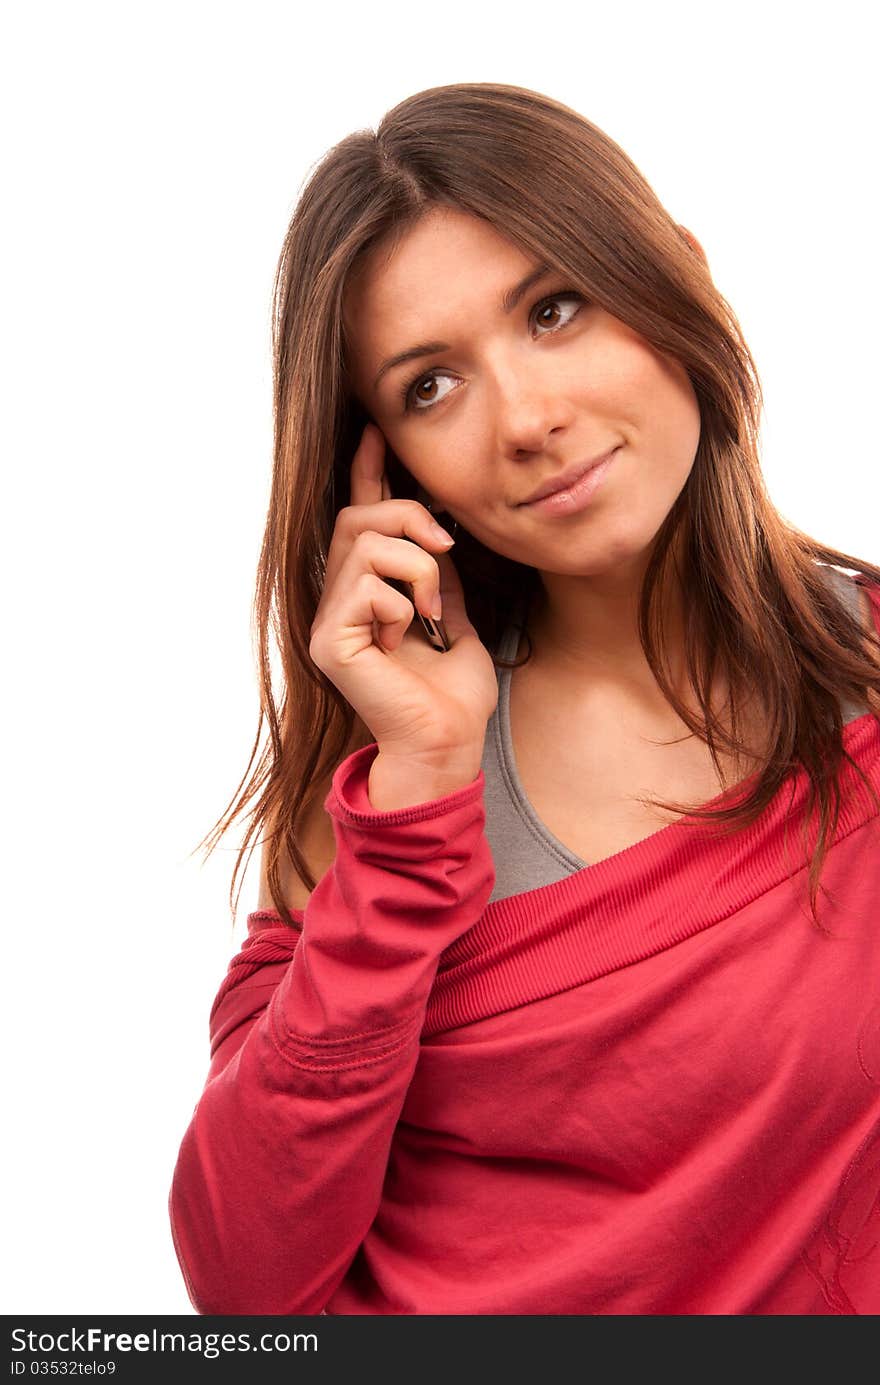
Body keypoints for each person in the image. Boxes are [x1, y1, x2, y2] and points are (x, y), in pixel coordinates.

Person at [169, 83, 880, 1315]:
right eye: (431, 387)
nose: (530, 420)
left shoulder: (865, 661)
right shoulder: (385, 799)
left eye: (556, 309)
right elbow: (243, 1285)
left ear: (678, 281)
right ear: (381, 464)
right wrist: (421, 801)